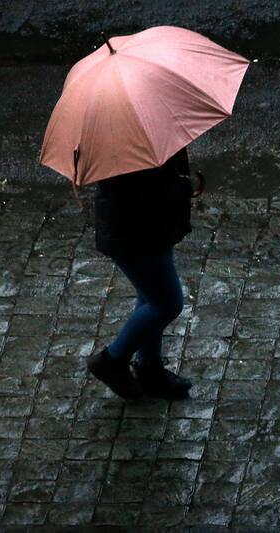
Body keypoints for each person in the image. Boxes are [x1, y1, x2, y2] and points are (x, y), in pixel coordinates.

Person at [86, 147, 202, 400]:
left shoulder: (144, 132)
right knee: (167, 303)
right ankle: (112, 360)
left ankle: (150, 368)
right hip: (137, 231)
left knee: (150, 296)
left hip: (152, 225)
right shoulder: (126, 144)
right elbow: (137, 192)